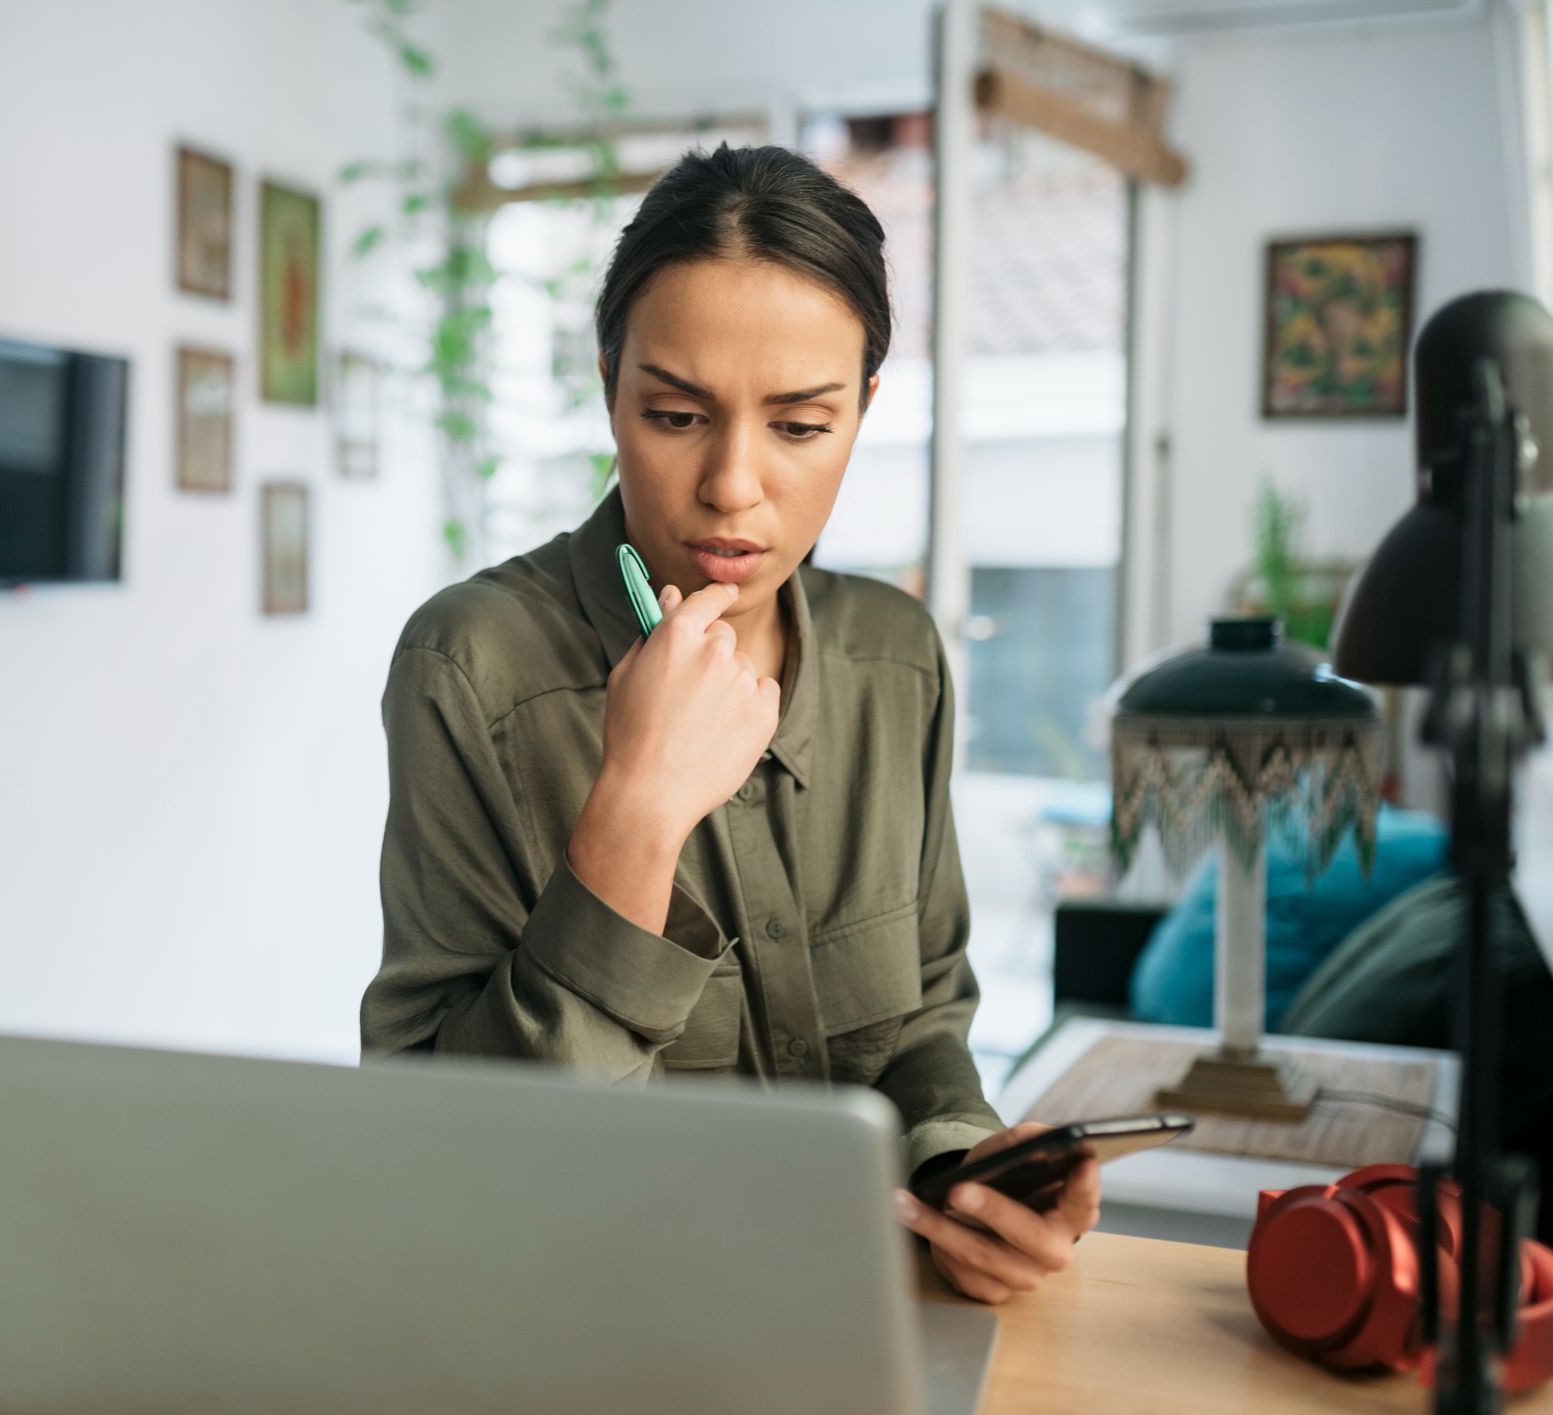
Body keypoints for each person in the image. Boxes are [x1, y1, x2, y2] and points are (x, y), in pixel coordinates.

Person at [359, 143, 1100, 1304]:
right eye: (674, 413)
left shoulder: (893, 658)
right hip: (577, 1316)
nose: (732, 486)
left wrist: (966, 1170)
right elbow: (434, 1151)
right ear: (609, 385)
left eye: (800, 426)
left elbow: (923, 1018)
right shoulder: (474, 664)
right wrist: (637, 809)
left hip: (862, 1306)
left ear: (863, 407)